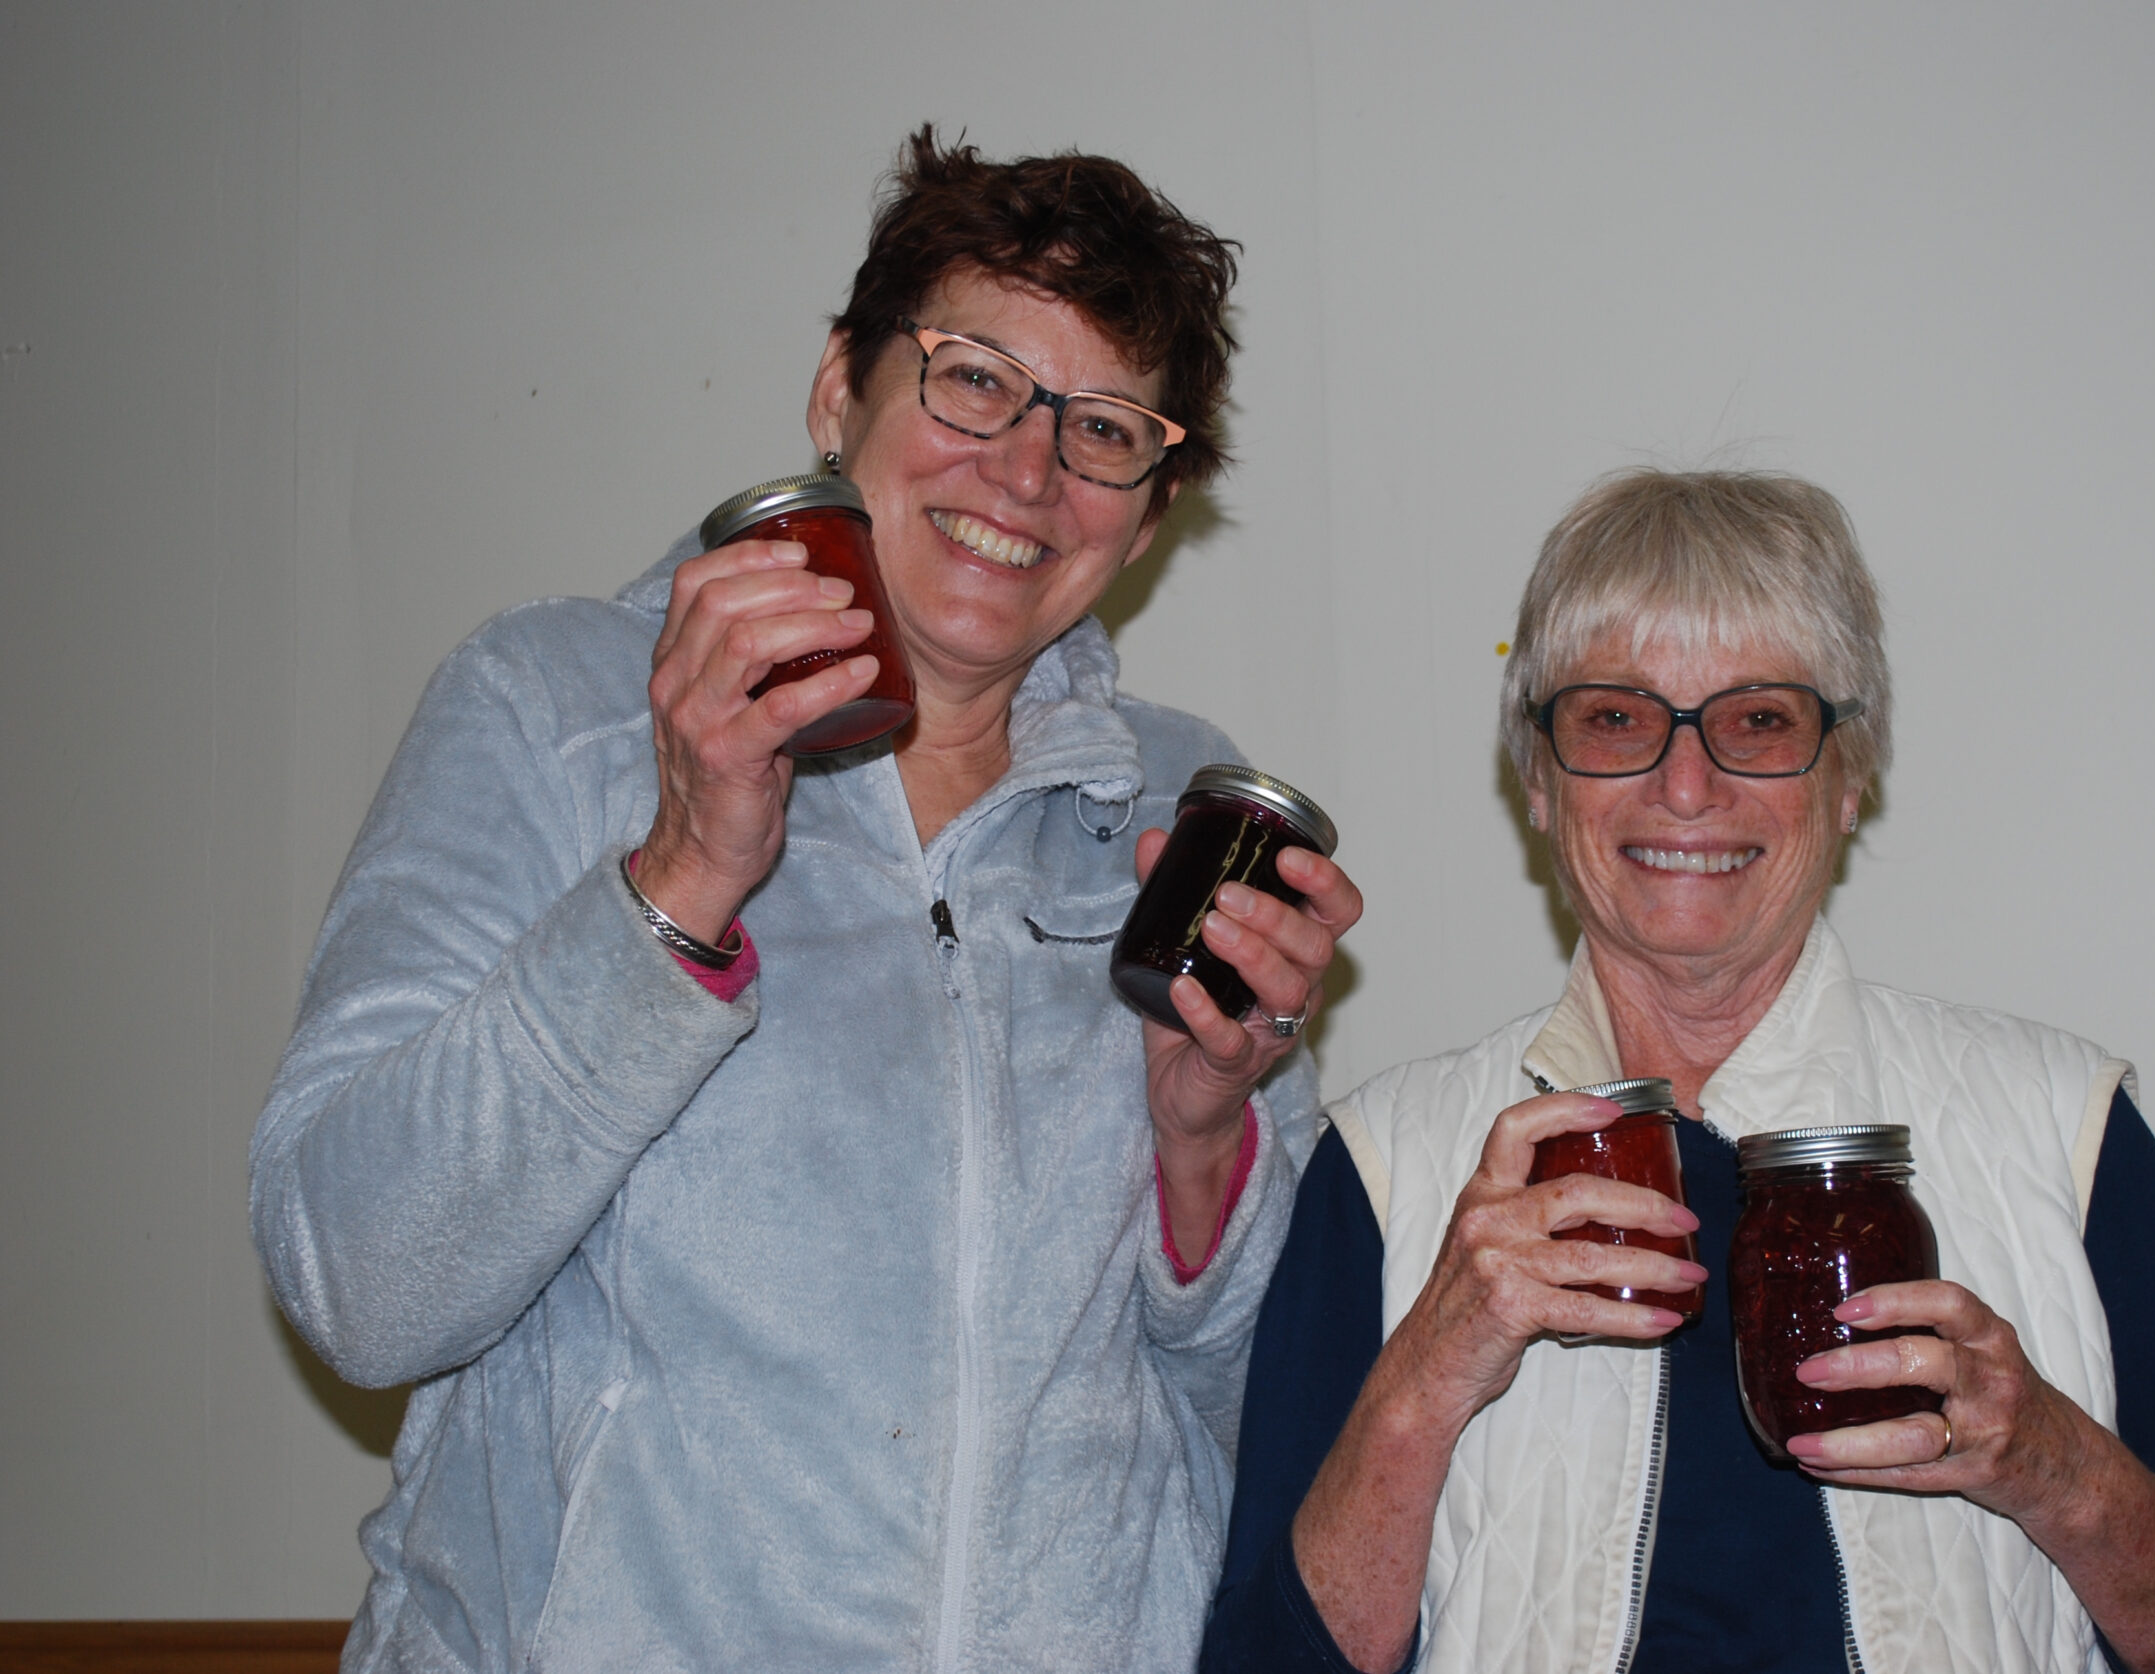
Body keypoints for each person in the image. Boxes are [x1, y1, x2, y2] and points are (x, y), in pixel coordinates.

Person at [251, 128, 1361, 1673]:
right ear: (843, 386)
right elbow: (357, 1287)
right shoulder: (553, 707)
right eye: (974, 378)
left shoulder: (1176, 820)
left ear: (1149, 510)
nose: (1028, 471)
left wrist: (1202, 1146)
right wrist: (684, 871)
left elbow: (1282, 1427)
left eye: (1105, 429)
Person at [1202, 471, 2155, 1674]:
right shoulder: (1384, 1162)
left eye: (1759, 720)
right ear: (1536, 779)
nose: (1686, 788)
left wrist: (2046, 1459)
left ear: (1850, 777)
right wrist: (1428, 1371)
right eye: (1615, 718)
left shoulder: (2062, 1128)